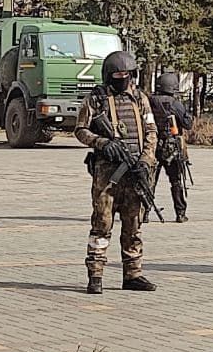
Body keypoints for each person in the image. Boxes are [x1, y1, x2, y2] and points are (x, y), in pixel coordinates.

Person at [75, 50, 157, 295]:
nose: (123, 79)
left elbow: (151, 132)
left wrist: (146, 160)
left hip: (135, 172)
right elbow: (80, 130)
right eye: (118, 75)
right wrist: (103, 143)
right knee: (102, 223)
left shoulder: (140, 98)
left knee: (133, 225)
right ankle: (96, 274)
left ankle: (133, 273)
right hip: (107, 175)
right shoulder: (96, 99)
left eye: (127, 75)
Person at [149, 71, 194, 223]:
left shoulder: (150, 100)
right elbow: (188, 124)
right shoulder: (175, 104)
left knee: (149, 180)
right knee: (176, 181)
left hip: (152, 145)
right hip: (171, 147)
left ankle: (144, 213)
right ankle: (180, 213)